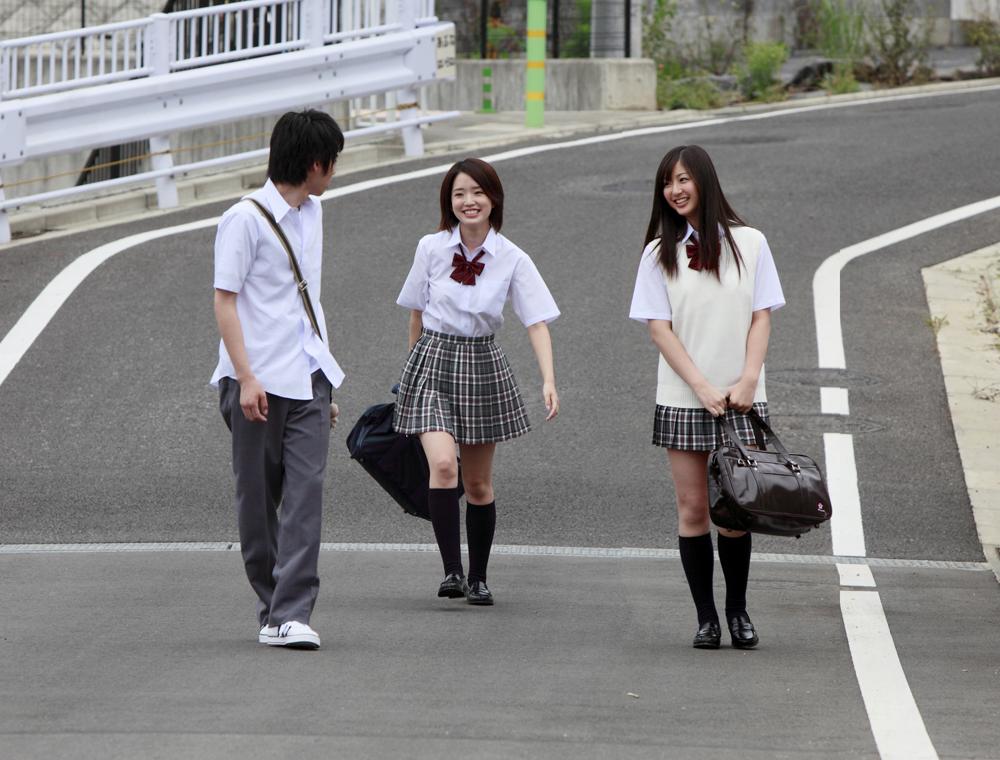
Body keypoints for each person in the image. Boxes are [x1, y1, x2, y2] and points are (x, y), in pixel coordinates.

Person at [629, 145, 785, 649]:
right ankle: (706, 619)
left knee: (735, 510)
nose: (675, 190)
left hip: (741, 397)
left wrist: (748, 379)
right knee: (693, 508)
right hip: (683, 395)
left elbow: (761, 316)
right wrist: (698, 384)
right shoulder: (657, 253)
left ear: (704, 181)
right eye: (667, 183)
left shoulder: (752, 243)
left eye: (683, 180)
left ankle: (738, 612)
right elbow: (659, 329)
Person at [394, 157, 560, 606]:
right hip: (432, 360)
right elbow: (415, 313)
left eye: (478, 192)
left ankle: (479, 577)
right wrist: (411, 370)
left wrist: (548, 379)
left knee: (479, 484)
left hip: (482, 362)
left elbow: (537, 322)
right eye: (459, 194)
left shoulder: (512, 258)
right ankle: (452, 571)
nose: (469, 201)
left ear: (494, 199)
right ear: (448, 202)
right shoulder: (430, 248)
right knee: (444, 465)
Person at [211, 110, 345, 650]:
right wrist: (246, 378)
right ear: (314, 163)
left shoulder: (314, 213)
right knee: (258, 503)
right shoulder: (243, 220)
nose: (334, 171)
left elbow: (306, 301)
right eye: (332, 161)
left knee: (305, 496)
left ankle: (292, 612)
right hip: (256, 383)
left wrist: (323, 379)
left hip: (307, 379)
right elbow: (225, 302)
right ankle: (272, 609)